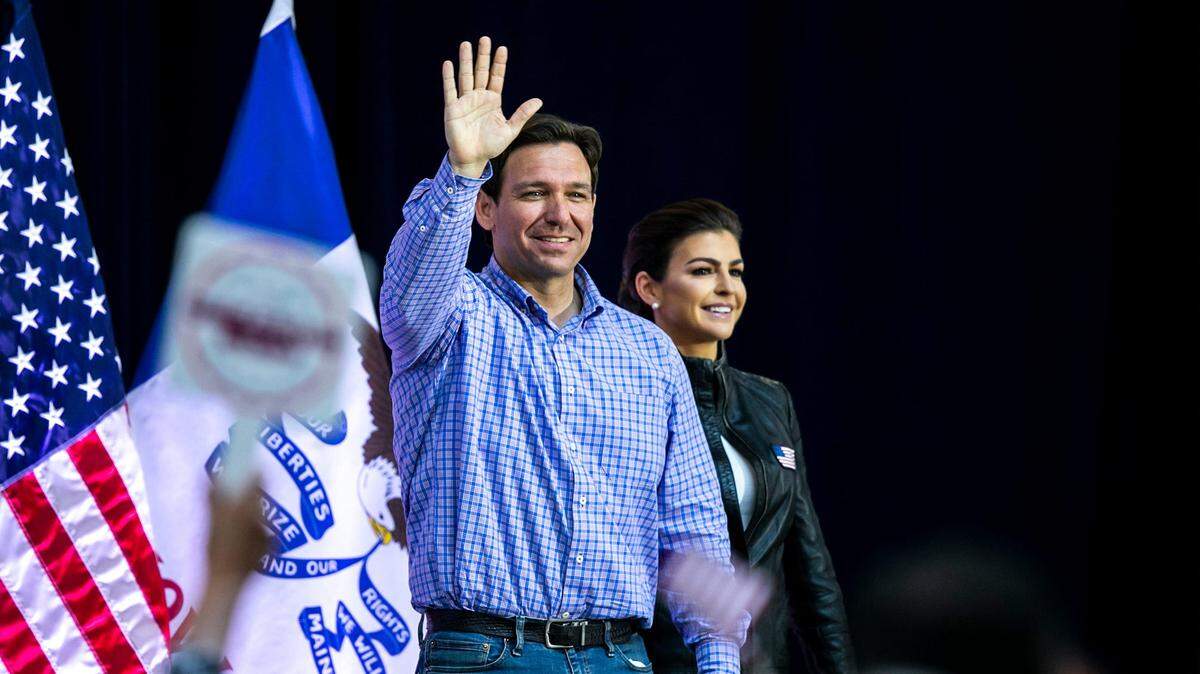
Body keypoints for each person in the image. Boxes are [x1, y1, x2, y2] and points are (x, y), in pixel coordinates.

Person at [379, 38, 747, 672]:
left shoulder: (647, 349)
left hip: (620, 657)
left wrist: (719, 660)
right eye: (534, 193)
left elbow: (695, 530)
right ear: (486, 208)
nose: (559, 214)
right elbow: (410, 292)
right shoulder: (449, 315)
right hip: (484, 655)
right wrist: (462, 170)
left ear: (594, 209)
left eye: (576, 195)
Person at [619, 199, 854, 673]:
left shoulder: (770, 400)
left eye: (736, 271)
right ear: (649, 287)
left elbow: (809, 569)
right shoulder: (618, 395)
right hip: (655, 661)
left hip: (760, 664)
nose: (727, 287)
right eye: (704, 271)